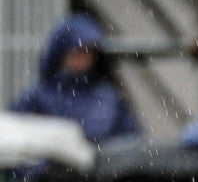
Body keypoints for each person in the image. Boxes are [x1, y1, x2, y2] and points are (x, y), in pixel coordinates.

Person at [10, 13, 139, 143]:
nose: (84, 58)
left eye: (89, 52)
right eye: (78, 51)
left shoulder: (108, 98)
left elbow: (131, 141)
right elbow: (14, 138)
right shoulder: (37, 98)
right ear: (60, 53)